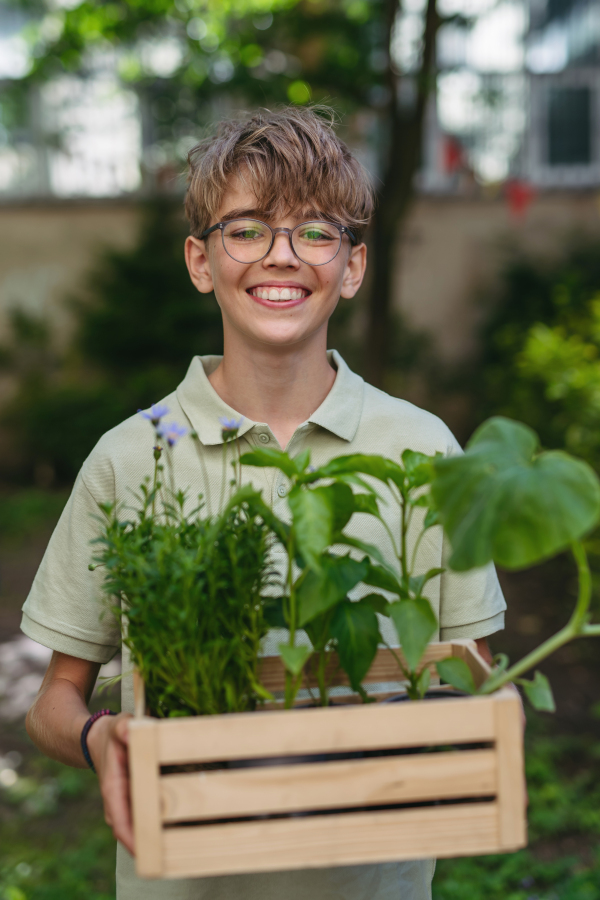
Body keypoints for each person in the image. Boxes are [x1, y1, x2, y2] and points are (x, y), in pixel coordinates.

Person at [22, 106, 507, 900]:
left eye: (315, 232)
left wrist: (464, 727)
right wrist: (99, 738)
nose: (281, 257)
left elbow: (478, 675)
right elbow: (54, 699)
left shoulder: (424, 450)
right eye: (246, 229)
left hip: (370, 881)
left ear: (352, 267)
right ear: (200, 260)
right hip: (181, 879)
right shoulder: (130, 455)